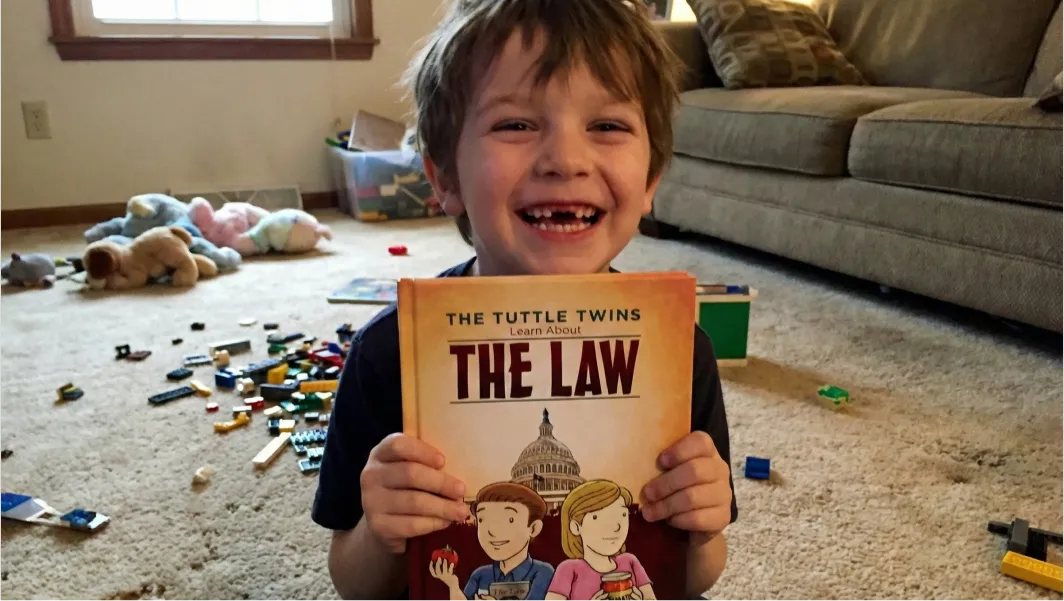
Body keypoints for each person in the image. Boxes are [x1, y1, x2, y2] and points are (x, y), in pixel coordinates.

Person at [311, 1, 738, 600]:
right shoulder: (389, 351)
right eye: (515, 124)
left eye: (607, 125)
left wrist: (701, 528)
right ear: (444, 179)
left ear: (650, 182)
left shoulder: (676, 350)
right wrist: (381, 534)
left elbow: (690, 581)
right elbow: (354, 586)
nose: (566, 161)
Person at [429, 482, 555, 601]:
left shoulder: (542, 572)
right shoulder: (480, 574)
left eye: (510, 520)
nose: (492, 531)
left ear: (533, 528)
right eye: (482, 520)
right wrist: (453, 585)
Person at [545, 480, 654, 601]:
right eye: (596, 517)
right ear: (576, 527)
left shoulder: (630, 561)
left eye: (623, 515)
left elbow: (651, 598)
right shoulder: (569, 569)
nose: (616, 527)